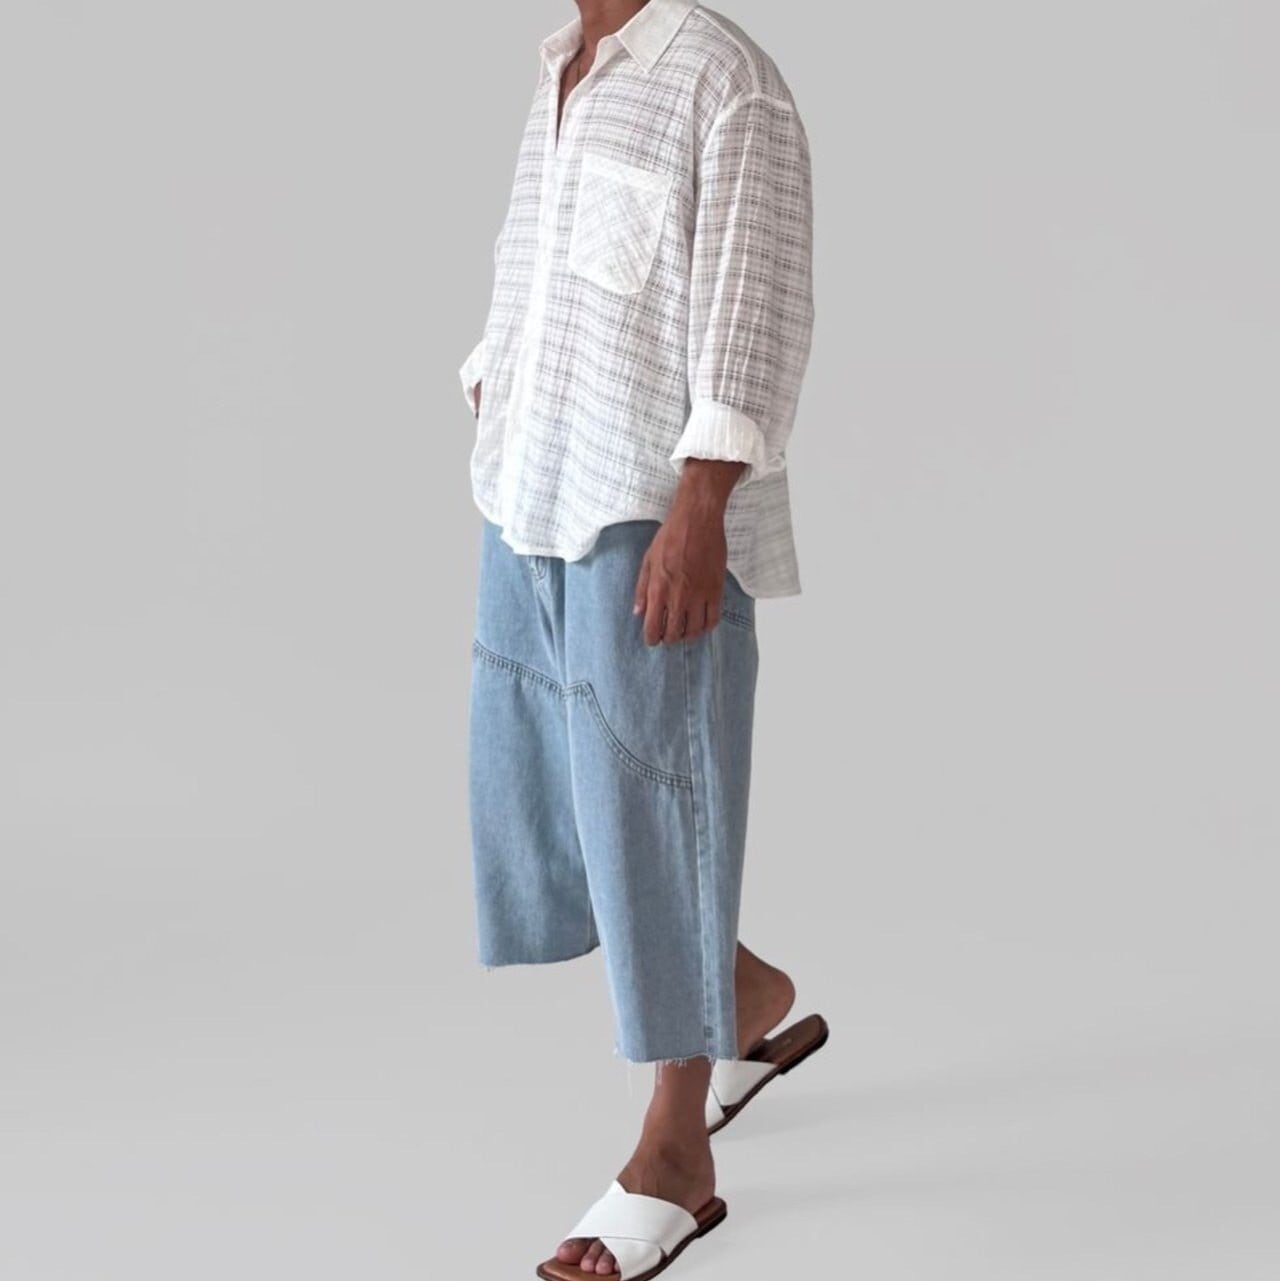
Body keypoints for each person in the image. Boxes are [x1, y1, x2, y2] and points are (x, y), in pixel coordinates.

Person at [458, 2, 825, 1276]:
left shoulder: (723, 80)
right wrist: (490, 370)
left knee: (656, 803)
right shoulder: (562, 70)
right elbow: (537, 259)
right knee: (551, 797)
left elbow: (753, 313)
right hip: (529, 484)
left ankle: (675, 1151)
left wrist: (701, 505)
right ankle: (740, 992)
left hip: (644, 502)